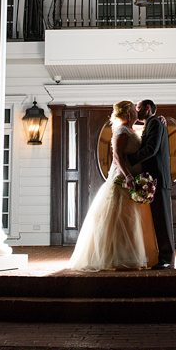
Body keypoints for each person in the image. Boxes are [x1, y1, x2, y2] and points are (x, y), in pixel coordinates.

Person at [69, 100, 157, 271]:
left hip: (132, 182)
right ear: (129, 113)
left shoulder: (132, 130)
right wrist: (129, 176)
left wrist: (158, 120)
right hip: (122, 181)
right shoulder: (122, 130)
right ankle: (116, 258)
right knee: (120, 220)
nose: (137, 113)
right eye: (134, 109)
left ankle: (127, 256)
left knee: (129, 220)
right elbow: (117, 156)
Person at [127, 99, 175, 269]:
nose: (136, 111)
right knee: (159, 220)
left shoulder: (154, 122)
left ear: (148, 108)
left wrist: (129, 159)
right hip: (154, 179)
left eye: (138, 108)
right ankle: (164, 257)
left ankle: (166, 258)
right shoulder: (152, 123)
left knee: (163, 221)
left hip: (158, 178)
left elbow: (152, 149)